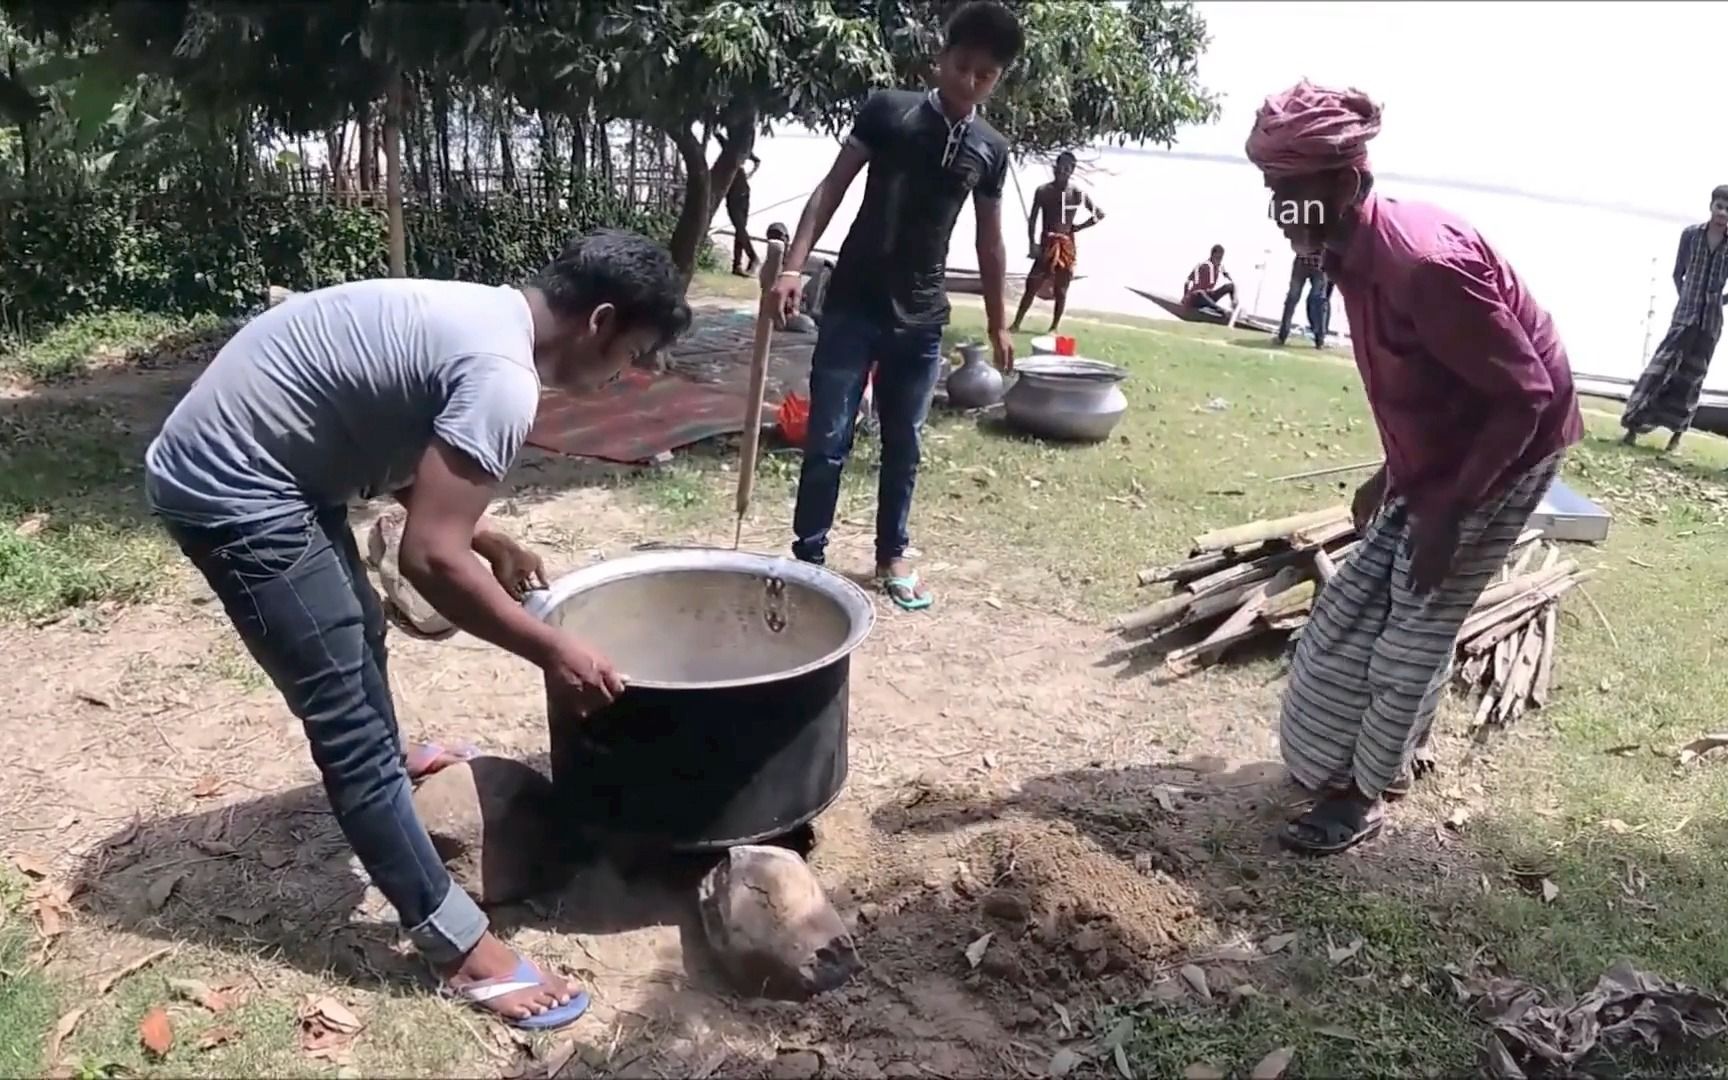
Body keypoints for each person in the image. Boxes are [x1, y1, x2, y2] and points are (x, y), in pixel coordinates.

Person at [142, 231, 692, 1027]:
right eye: (631, 355)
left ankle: (392, 756)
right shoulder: (504, 378)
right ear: (600, 321)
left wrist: (484, 536)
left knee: (354, 620)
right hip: (233, 485)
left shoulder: (487, 317)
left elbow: (381, 417)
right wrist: (553, 649)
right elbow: (430, 561)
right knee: (347, 722)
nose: (624, 376)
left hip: (283, 464)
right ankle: (459, 947)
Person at [1245, 81, 1582, 855]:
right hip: (1452, 445)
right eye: (1272, 191)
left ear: (1348, 182)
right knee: (1355, 611)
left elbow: (1524, 396)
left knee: (1415, 629)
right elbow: (1415, 383)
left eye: (1290, 191)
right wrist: (1393, 476)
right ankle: (1368, 755)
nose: (1278, 209)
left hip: (1509, 446)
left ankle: (1360, 797)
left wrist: (1451, 511)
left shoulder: (1422, 265)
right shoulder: (1343, 255)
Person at [770, 0, 1021, 611]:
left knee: (904, 442)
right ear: (940, 58)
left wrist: (997, 319)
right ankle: (809, 555)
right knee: (828, 435)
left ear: (997, 80)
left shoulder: (990, 147)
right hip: (853, 303)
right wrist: (795, 267)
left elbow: (990, 239)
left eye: (984, 75)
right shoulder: (887, 110)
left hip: (923, 318)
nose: (969, 81)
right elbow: (831, 188)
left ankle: (892, 557)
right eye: (961, 66)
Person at [1620, 186, 1728, 452]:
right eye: (1719, 206)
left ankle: (1676, 437)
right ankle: (1633, 429)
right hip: (1683, 318)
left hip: (1710, 324)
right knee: (1659, 370)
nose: (1723, 213)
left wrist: (1717, 301)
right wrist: (1686, 298)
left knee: (1691, 379)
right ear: (1711, 206)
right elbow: (1677, 273)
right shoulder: (1691, 235)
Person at [1010, 150, 1105, 334]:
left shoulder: (1077, 193)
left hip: (1066, 247)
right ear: (1054, 168)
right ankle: (1016, 324)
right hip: (1046, 245)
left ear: (1071, 170)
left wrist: (1078, 227)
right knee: (1032, 285)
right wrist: (1032, 244)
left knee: (1061, 290)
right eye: (1059, 168)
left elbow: (1098, 214)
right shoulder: (1043, 191)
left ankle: (1054, 327)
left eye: (1066, 169)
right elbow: (1033, 219)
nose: (1061, 172)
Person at [1275, 251, 1333, 348]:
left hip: (1312, 263)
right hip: (1311, 262)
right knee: (1314, 301)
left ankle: (1319, 339)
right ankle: (1319, 340)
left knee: (1295, 299)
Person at [726, 152, 765, 276]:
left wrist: (750, 173)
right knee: (740, 229)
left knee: (740, 228)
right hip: (738, 192)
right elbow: (757, 160)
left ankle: (752, 258)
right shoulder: (741, 147)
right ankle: (737, 265)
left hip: (739, 194)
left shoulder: (735, 146)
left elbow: (757, 160)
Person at [1183, 245, 1235, 315]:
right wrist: (1185, 297)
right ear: (1213, 255)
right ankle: (1219, 309)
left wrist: (1234, 298)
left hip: (1207, 298)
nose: (1220, 260)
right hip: (1195, 298)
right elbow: (1187, 282)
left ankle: (1233, 310)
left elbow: (1231, 281)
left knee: (1230, 286)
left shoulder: (1219, 267)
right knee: (1201, 292)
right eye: (1218, 258)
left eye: (1221, 258)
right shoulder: (1203, 265)